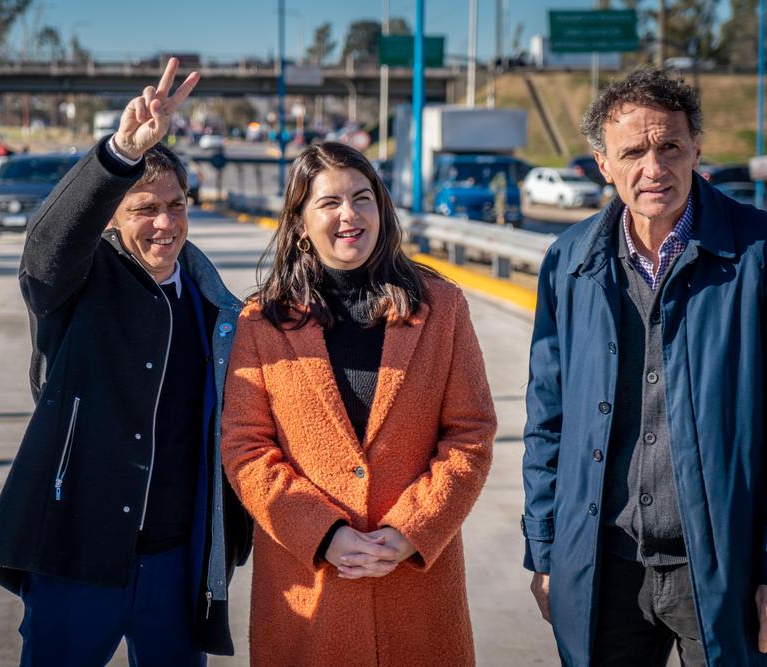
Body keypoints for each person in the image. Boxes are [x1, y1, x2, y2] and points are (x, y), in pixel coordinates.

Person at [0, 58, 252, 666]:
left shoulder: (218, 310)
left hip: (177, 566)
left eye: (176, 206)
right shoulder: (76, 288)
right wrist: (120, 152)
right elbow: (47, 247)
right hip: (77, 556)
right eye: (143, 209)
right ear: (112, 218)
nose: (165, 223)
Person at [522, 67, 767, 666]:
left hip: (724, 566)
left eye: (670, 147)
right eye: (633, 151)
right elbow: (547, 419)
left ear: (696, 152)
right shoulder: (569, 261)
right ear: (603, 164)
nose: (653, 168)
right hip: (604, 564)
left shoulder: (758, 254)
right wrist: (547, 550)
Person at [220, 142, 497, 666]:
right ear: (300, 223)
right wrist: (323, 534)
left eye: (362, 197)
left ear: (381, 208)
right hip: (311, 587)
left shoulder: (442, 308)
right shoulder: (262, 322)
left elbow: (471, 433)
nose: (349, 214)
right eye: (329, 203)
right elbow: (246, 448)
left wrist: (411, 530)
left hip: (415, 584)